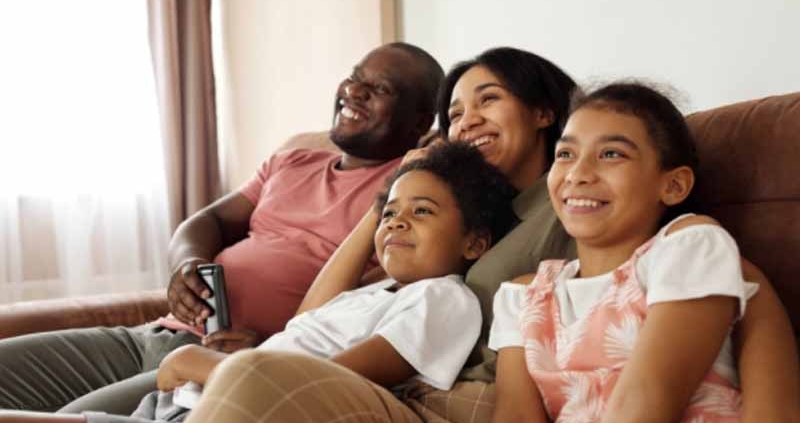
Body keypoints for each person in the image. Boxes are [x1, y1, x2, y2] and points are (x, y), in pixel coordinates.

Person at [0, 42, 445, 415]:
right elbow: (207, 221)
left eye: (379, 88)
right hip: (157, 334)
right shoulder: (291, 162)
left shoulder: (404, 196)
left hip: (224, 363)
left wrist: (277, 347)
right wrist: (186, 265)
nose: (354, 91)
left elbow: (366, 309)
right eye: (354, 76)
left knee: (64, 421)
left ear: (420, 123)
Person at [0, 142, 520, 423]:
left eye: (421, 212)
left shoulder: (444, 298)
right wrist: (379, 211)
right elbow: (305, 321)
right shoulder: (377, 291)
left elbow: (324, 383)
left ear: (474, 243)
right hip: (190, 397)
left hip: (224, 396)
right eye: (390, 213)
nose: (396, 222)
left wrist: (198, 362)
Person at [490, 81, 755, 422]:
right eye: (565, 154)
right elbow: (515, 415)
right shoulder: (522, 296)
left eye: (611, 154)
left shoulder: (690, 247)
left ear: (673, 186)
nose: (577, 174)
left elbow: (647, 399)